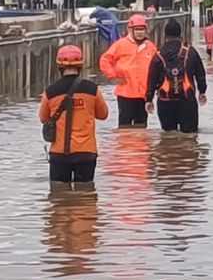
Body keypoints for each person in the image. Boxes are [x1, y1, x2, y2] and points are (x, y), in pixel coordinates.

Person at [39, 44, 110, 184]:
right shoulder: (92, 89)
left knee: (59, 198)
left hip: (59, 154)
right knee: (85, 197)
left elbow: (43, 118)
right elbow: (103, 115)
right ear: (80, 65)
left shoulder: (50, 92)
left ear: (59, 66)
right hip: (86, 153)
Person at [147, 19, 208, 133]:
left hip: (165, 101)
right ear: (180, 34)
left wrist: (149, 99)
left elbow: (151, 79)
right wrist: (202, 92)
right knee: (190, 137)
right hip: (187, 101)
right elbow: (200, 74)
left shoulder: (158, 55)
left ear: (165, 35)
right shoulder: (191, 51)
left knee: (168, 138)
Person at [99, 14, 157, 128]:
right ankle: (126, 146)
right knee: (124, 127)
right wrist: (113, 76)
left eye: (142, 29)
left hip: (143, 94)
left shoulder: (150, 46)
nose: (140, 32)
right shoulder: (120, 45)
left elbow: (158, 66)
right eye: (137, 29)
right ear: (130, 30)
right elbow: (104, 61)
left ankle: (140, 146)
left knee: (141, 126)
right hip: (125, 93)